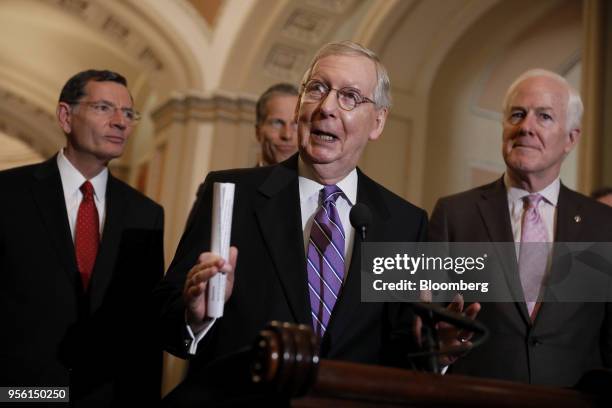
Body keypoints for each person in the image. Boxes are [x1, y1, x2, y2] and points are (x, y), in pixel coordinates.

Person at [155, 41, 428, 401]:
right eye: (317, 88)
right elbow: (166, 318)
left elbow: (404, 349)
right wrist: (195, 317)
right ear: (300, 103)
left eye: (349, 96)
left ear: (377, 121)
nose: (326, 107)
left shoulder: (405, 223)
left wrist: (437, 349)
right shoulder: (231, 194)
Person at [429, 69, 612, 386]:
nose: (526, 127)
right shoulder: (454, 213)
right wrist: (438, 351)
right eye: (517, 114)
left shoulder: (603, 224)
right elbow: (424, 328)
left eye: (544, 116)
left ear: (571, 137)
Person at [0, 70, 165, 406]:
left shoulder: (146, 214)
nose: (121, 122)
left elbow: (145, 325)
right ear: (65, 116)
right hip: (20, 392)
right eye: (104, 108)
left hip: (106, 397)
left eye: (129, 113)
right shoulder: (7, 194)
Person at [254, 83, 299, 167]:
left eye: (296, 124)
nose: (287, 135)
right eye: (277, 123)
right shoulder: (234, 180)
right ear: (258, 132)